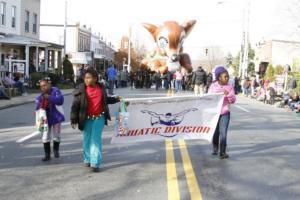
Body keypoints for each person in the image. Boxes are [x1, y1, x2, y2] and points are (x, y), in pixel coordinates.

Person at [70, 68, 121, 172]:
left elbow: (106, 100)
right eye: (85, 78)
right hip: (86, 118)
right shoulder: (80, 90)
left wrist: (116, 99)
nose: (86, 80)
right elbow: (75, 106)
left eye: (88, 78)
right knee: (87, 139)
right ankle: (88, 158)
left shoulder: (101, 88)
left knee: (95, 139)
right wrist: (73, 119)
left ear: (95, 78)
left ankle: (95, 162)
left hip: (99, 118)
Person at [208, 66, 236, 159]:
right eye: (225, 77)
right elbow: (208, 98)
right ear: (219, 77)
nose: (227, 78)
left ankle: (222, 152)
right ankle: (215, 146)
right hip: (215, 114)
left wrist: (228, 95)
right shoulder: (213, 86)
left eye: (228, 77)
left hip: (225, 113)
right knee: (216, 133)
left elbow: (233, 100)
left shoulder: (230, 87)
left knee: (223, 133)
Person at [35, 79, 65, 161]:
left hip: (56, 117)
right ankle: (47, 155)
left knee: (57, 136)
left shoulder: (56, 91)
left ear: (49, 84)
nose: (43, 87)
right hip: (45, 119)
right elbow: (37, 107)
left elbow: (60, 101)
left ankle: (56, 150)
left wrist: (49, 97)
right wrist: (38, 106)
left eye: (45, 85)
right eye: (41, 86)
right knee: (45, 137)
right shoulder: (40, 96)